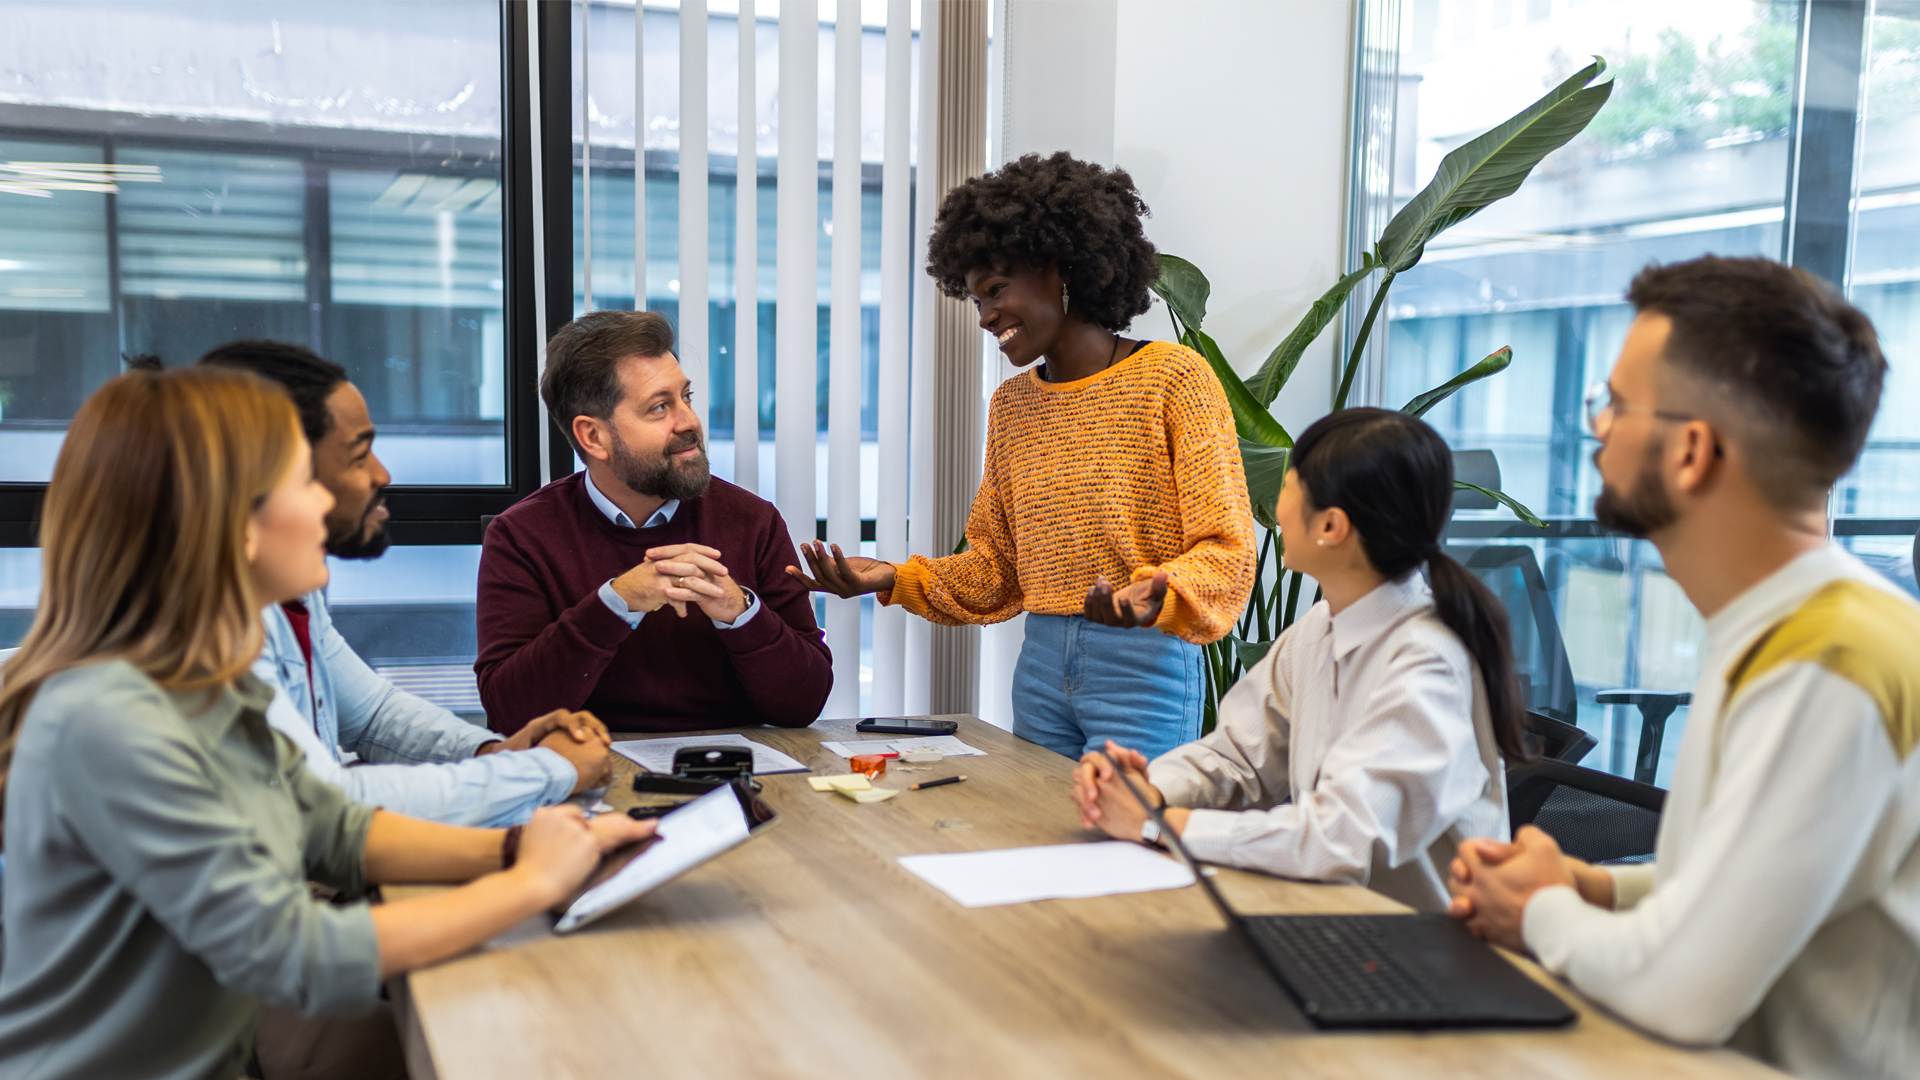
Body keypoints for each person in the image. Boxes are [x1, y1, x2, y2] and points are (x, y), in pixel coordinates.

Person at [0, 367, 655, 1079]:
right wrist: (530, 885)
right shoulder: (111, 717)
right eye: (299, 482)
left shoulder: (208, 685)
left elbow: (328, 828)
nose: (323, 503)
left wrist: (540, 848)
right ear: (232, 522)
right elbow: (291, 951)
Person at [1446, 256, 1919, 1079]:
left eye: (1618, 406)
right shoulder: (1792, 629)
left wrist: (1541, 911)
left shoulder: (1831, 663)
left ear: (1693, 450)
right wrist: (1595, 891)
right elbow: (1752, 890)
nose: (1596, 426)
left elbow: (1683, 990)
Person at [788, 152, 1255, 761]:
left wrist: (1154, 592)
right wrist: (894, 578)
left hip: (1144, 665)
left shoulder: (1175, 380)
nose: (985, 317)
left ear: (1061, 268)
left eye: (997, 290)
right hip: (1039, 667)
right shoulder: (1012, 406)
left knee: (1128, 847)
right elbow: (996, 571)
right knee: (1043, 841)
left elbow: (1228, 552)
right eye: (976, 298)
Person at [1068, 409, 1523, 912]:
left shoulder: (1427, 666)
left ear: (1330, 525)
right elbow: (1237, 756)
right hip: (1338, 931)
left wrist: (1158, 822)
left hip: (1429, 960)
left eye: (1288, 486)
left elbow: (1336, 838)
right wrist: (1144, 787)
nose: (1276, 508)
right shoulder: (1321, 629)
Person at [193, 341, 612, 828]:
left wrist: (494, 752)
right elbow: (321, 802)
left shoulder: (284, 590)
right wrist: (544, 771)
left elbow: (372, 717)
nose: (383, 474)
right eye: (357, 455)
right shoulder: (207, 617)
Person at [475, 310, 832, 734]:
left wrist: (740, 612)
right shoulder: (522, 537)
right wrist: (615, 603)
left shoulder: (752, 521)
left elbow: (804, 704)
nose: (689, 422)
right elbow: (510, 714)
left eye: (687, 397)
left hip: (732, 772)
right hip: (591, 780)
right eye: (660, 407)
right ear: (593, 437)